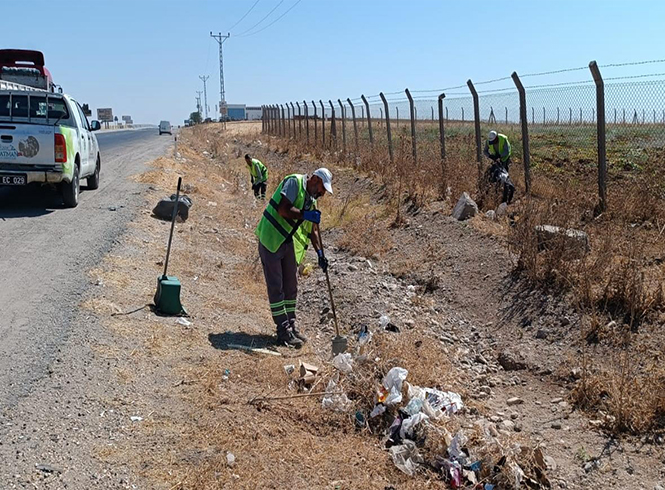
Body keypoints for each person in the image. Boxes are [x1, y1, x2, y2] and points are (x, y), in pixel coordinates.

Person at [255, 168, 333, 347]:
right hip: (271, 238)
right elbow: (283, 209)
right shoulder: (294, 182)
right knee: (277, 287)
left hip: (285, 240)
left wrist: (320, 253)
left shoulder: (311, 200)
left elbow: (313, 230)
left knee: (291, 285)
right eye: (322, 189)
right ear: (314, 179)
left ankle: (291, 325)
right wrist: (306, 214)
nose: (322, 194)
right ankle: (283, 332)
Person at [483, 130, 515, 204]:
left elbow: (507, 151)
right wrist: (490, 156)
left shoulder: (503, 139)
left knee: (504, 174)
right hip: (496, 159)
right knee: (494, 173)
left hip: (504, 158)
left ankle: (505, 190)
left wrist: (500, 156)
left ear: (496, 137)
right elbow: (485, 151)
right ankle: (496, 188)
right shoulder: (488, 141)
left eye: (494, 141)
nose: (493, 143)